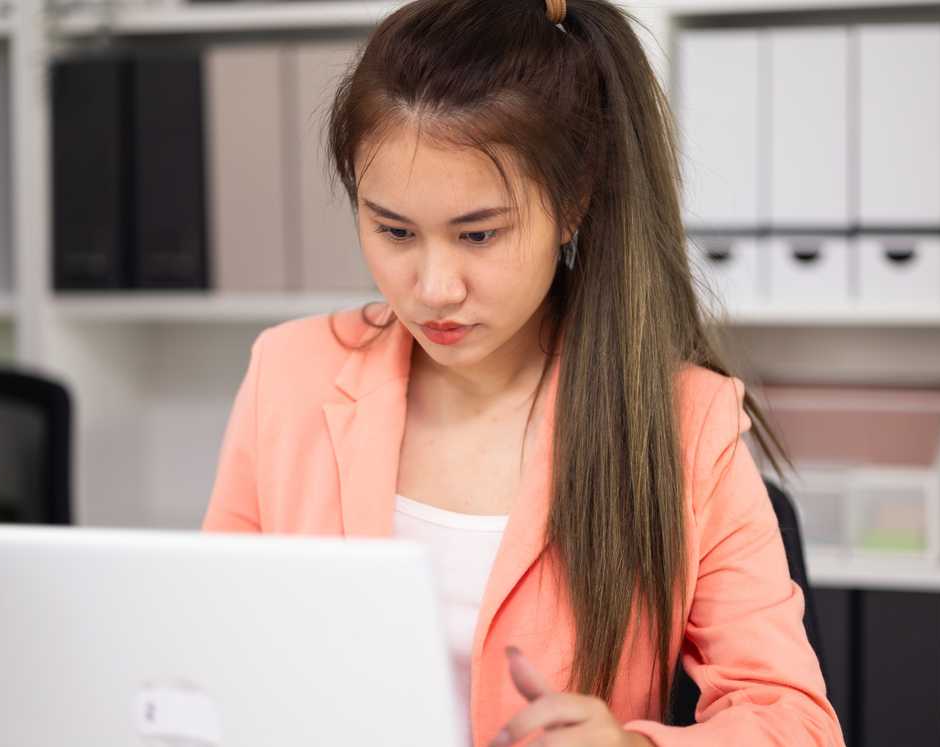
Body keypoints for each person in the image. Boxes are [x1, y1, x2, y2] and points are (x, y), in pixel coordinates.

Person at [202, 0, 845, 744]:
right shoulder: (288, 376)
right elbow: (217, 655)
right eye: (393, 230)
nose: (435, 285)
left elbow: (794, 723)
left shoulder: (686, 423)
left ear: (572, 204)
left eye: (479, 233)